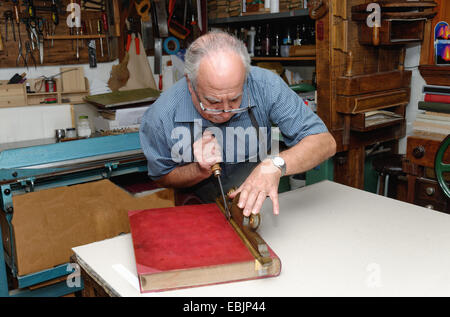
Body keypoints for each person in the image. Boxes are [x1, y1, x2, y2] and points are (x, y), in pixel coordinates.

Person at [140, 31, 336, 216]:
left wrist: (276, 164)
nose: (225, 112)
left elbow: (324, 142)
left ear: (245, 78)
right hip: (195, 211)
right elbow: (161, 178)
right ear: (190, 84)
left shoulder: (265, 86)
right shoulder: (161, 116)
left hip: (259, 208)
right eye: (213, 102)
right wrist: (199, 171)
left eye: (235, 100)